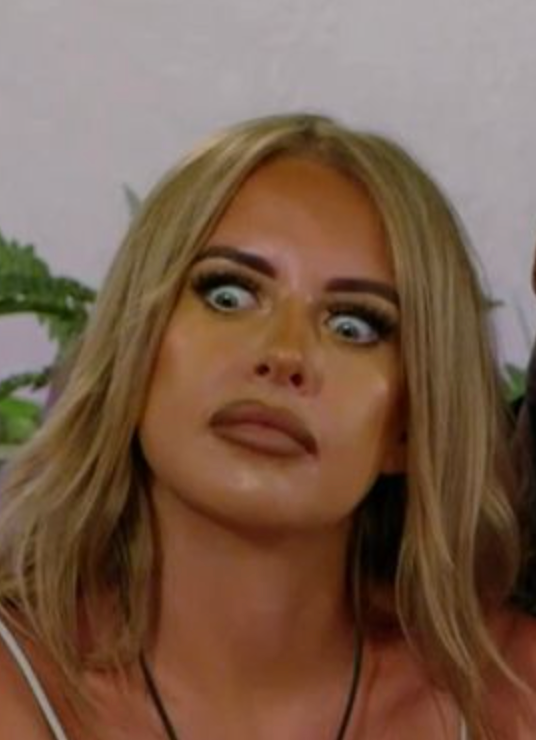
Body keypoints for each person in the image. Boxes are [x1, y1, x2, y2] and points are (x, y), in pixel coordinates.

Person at [0, 113, 535, 740]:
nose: (283, 354)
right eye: (227, 295)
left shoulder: (513, 694)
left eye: (354, 326)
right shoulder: (17, 686)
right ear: (133, 346)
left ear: (411, 423)